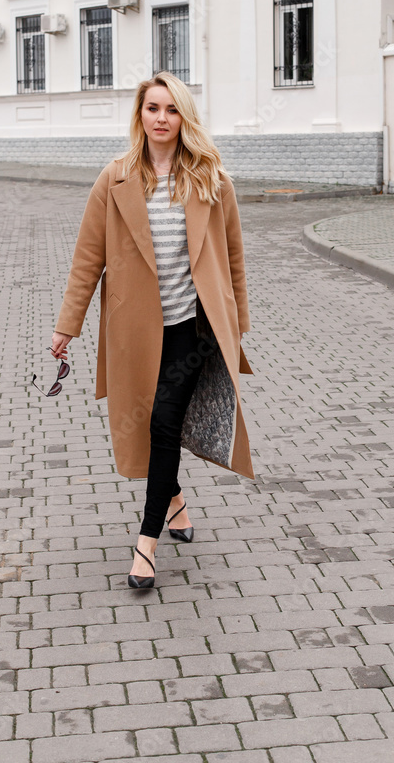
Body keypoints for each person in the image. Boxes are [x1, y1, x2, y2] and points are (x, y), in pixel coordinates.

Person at [50, 71, 255, 589]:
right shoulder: (114, 179)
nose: (161, 119)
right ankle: (177, 501)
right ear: (140, 115)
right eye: (152, 109)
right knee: (148, 427)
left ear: (184, 117)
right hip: (135, 333)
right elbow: (86, 260)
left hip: (192, 329)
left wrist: (238, 324)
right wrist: (66, 327)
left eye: (171, 110)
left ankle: (146, 543)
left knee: (163, 423)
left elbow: (233, 257)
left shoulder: (211, 179)